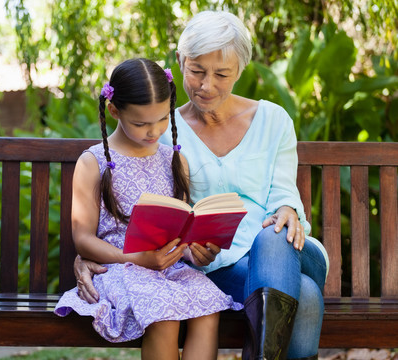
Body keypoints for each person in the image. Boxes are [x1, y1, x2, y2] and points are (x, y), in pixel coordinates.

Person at [74, 11, 329, 360]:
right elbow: (138, 208)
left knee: (272, 236)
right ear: (180, 62)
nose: (206, 85)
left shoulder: (273, 120)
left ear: (240, 70)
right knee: (308, 296)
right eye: (196, 71)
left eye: (221, 74)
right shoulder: (164, 129)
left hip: (289, 249)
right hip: (220, 264)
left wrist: (287, 208)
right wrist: (91, 255)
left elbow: (284, 191)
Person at [54, 58, 242, 360]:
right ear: (114, 111)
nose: (153, 131)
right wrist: (137, 258)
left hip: (169, 268)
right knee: (164, 314)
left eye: (162, 119)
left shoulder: (174, 159)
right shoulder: (93, 163)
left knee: (209, 307)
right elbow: (83, 239)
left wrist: (195, 249)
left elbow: (180, 227)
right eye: (141, 123)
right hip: (120, 268)